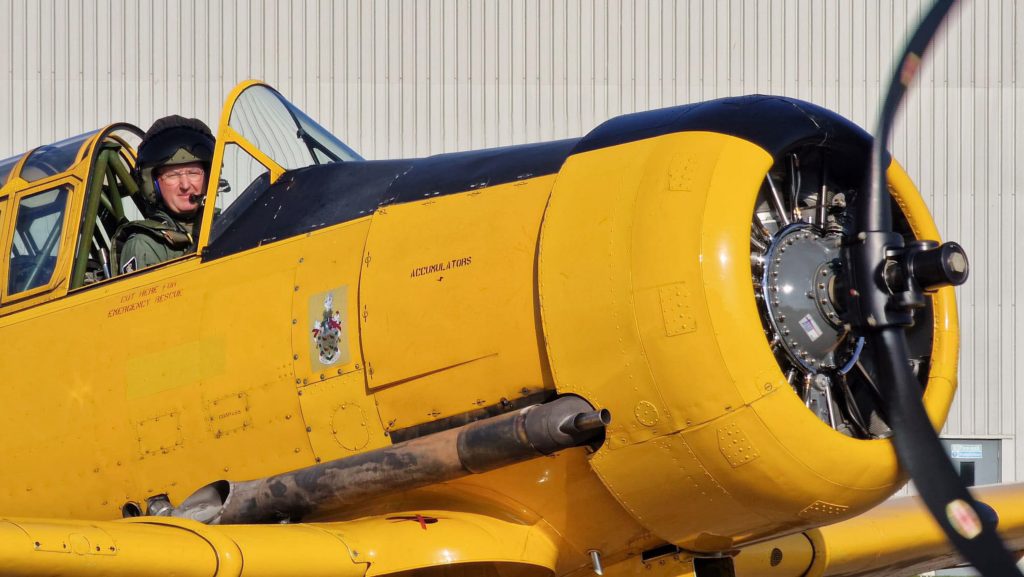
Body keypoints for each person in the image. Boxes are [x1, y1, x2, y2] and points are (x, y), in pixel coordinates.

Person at [116, 115, 216, 274]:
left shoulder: (227, 227)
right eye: (173, 175)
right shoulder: (146, 245)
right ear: (153, 184)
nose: (185, 185)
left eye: (193, 173)